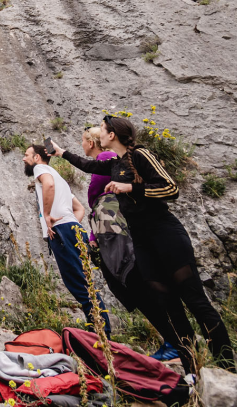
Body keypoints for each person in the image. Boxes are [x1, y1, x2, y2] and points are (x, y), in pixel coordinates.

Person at [55, 116, 234, 375]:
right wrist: (61, 153)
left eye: (102, 131)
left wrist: (130, 187)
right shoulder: (115, 164)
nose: (99, 135)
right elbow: (86, 164)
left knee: (194, 300)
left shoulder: (140, 155)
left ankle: (226, 366)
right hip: (141, 241)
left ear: (112, 134)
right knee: (169, 306)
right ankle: (193, 370)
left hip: (164, 233)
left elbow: (170, 188)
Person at [54, 127, 178, 362]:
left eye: (83, 140)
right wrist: (93, 238)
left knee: (130, 278)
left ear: (92, 142)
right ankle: (172, 339)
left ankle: (174, 340)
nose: (82, 144)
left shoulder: (107, 158)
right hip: (106, 228)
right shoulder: (105, 160)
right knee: (125, 281)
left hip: (114, 229)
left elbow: (107, 195)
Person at [24, 144, 111, 336]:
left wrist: (47, 216)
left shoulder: (41, 170)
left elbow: (48, 185)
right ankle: (99, 329)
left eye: (27, 155)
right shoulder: (59, 177)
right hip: (74, 229)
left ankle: (102, 334)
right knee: (84, 282)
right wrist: (71, 223)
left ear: (37, 157)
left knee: (78, 284)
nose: (24, 159)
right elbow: (79, 208)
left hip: (62, 231)